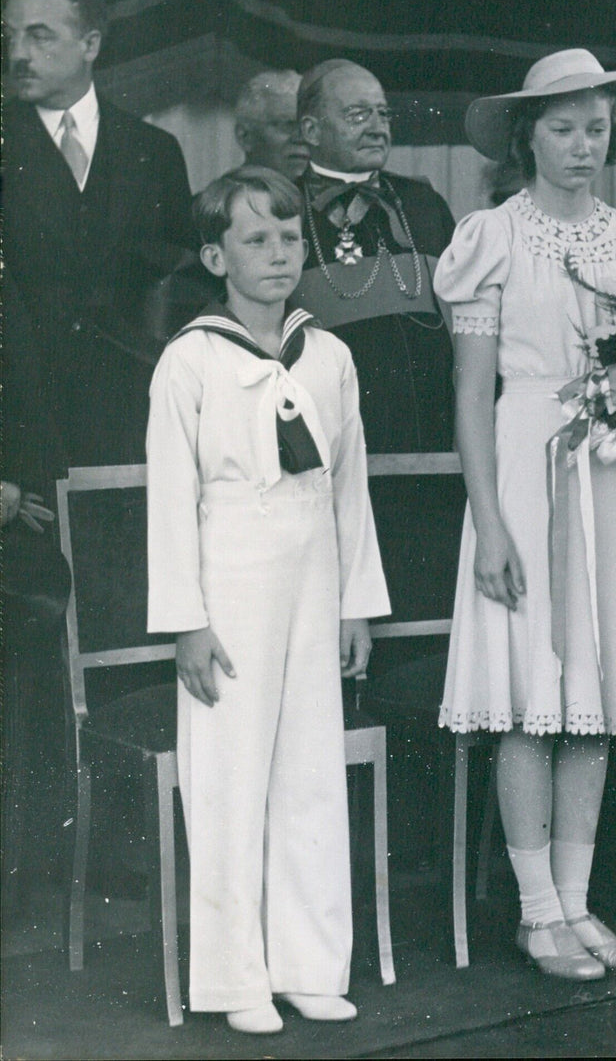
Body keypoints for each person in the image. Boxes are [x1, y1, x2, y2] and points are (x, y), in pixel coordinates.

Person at [435, 49, 616, 980]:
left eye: (596, 129)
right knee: (528, 701)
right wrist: (490, 524)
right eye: (562, 129)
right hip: (521, 471)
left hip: (614, 478)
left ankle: (578, 908)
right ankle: (535, 915)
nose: (583, 147)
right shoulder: (490, 238)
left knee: (595, 701)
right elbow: (473, 395)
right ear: (527, 137)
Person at [146, 165, 390, 1033]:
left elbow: (349, 490)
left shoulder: (330, 355)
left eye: (290, 237)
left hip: (315, 573)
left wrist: (356, 602)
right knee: (229, 776)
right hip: (230, 581)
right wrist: (187, 623)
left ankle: (308, 964)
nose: (279, 253)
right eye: (256, 239)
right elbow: (172, 499)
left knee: (311, 774)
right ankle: (234, 977)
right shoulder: (190, 360)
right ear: (216, 255)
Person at [2, 0, 196, 470]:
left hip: (136, 407)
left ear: (90, 44)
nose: (18, 53)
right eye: (10, 36)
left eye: (39, 35)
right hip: (25, 418)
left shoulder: (154, 151)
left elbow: (183, 275)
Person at [292, 58, 456, 454]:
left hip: (427, 443)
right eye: (357, 114)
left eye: (383, 113)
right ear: (311, 130)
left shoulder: (423, 204)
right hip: (327, 450)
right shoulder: (280, 209)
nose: (378, 127)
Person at [234, 68, 310, 180]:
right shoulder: (223, 197)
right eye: (288, 125)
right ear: (245, 137)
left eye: (309, 127)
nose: (302, 138)